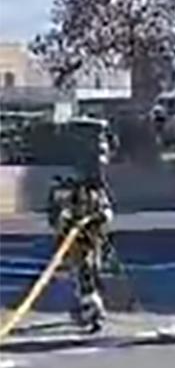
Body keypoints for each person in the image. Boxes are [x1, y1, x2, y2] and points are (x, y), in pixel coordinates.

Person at [47, 124, 115, 333]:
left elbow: (104, 206)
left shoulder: (96, 184)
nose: (103, 157)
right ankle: (90, 308)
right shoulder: (68, 182)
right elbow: (56, 212)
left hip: (92, 231)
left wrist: (102, 216)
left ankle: (89, 304)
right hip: (74, 232)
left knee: (92, 267)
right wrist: (66, 220)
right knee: (82, 267)